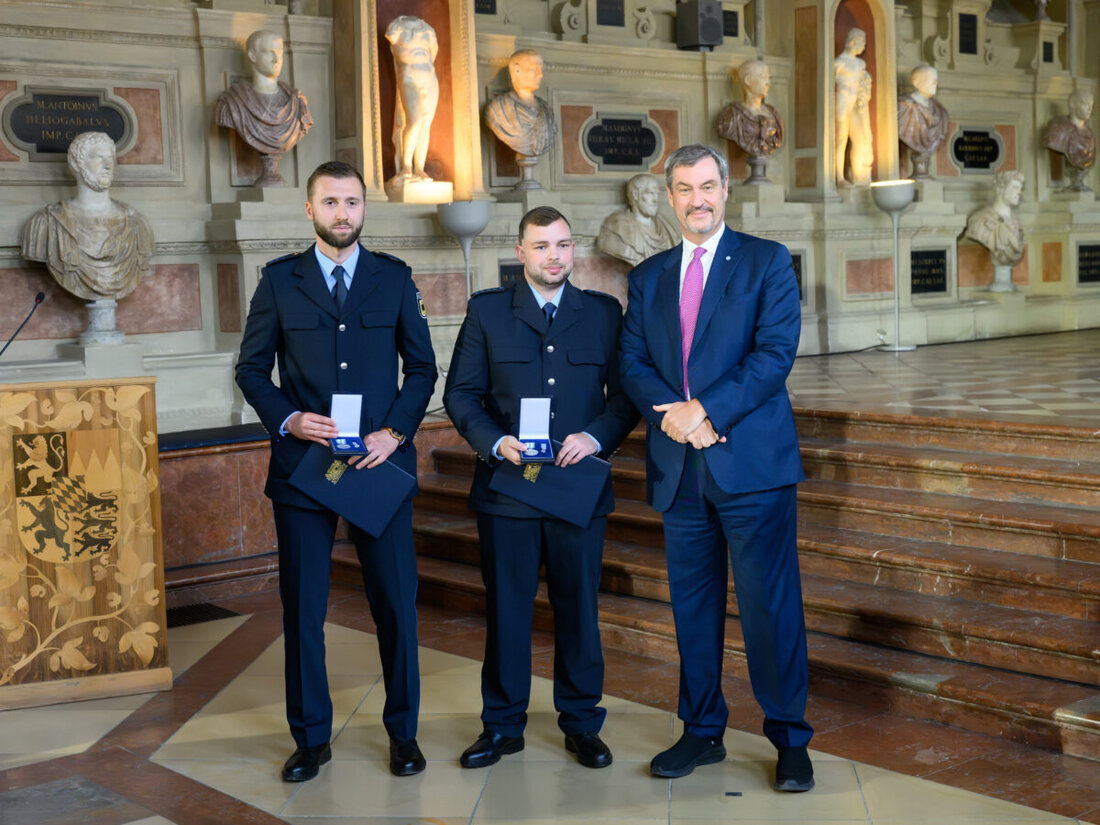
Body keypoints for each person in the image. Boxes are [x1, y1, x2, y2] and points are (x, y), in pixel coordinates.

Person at [618, 144, 813, 793]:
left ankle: (788, 736)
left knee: (769, 606)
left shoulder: (766, 261)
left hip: (750, 465)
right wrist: (674, 417)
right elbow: (633, 363)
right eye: (683, 187)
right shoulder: (646, 276)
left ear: (725, 190)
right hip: (680, 469)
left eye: (706, 185)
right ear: (670, 195)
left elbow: (775, 353)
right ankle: (701, 728)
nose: (696, 198)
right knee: (693, 607)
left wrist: (705, 409)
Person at [235, 161, 437, 783]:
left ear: (364, 210)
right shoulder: (278, 281)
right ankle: (311, 739)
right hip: (305, 471)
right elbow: (250, 370)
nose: (342, 212)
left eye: (352, 202)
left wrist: (395, 431)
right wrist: (289, 418)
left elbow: (423, 369)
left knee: (396, 606)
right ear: (310, 209)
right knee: (304, 609)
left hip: (378, 467)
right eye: (330, 202)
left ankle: (403, 733)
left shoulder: (394, 279)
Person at [443, 206, 638, 771]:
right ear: (520, 251)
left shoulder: (602, 313)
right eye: (541, 246)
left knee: (578, 609)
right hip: (508, 489)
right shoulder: (487, 313)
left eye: (562, 245)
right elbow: (461, 395)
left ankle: (581, 723)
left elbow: (625, 398)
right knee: (507, 610)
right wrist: (493, 441)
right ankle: (502, 726)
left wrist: (597, 436)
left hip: (577, 487)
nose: (554, 256)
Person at [21, 131, 153, 302]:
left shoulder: (137, 223)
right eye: (98, 157)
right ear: (76, 164)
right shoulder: (46, 223)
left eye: (111, 158)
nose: (108, 165)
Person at [214, 30, 313, 184]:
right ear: (253, 55)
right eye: (269, 52)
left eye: (280, 52)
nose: (276, 59)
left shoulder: (297, 102)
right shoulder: (232, 102)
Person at [385, 16, 440, 186]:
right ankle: (406, 166)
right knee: (414, 121)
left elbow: (433, 53)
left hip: (429, 77)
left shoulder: (428, 28)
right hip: (409, 75)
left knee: (425, 125)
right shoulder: (396, 26)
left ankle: (420, 168)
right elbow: (395, 47)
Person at [484, 49, 557, 158]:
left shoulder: (546, 110)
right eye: (533, 69)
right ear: (517, 70)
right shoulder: (498, 109)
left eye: (541, 69)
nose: (540, 74)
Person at [597, 174, 680, 266]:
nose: (655, 199)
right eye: (650, 193)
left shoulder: (666, 227)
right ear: (636, 195)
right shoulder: (616, 227)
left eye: (656, 194)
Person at [716, 59, 785, 160]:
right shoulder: (732, 115)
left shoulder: (773, 114)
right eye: (764, 77)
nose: (768, 83)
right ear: (748, 80)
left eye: (769, 78)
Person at [834, 28, 873, 186]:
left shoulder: (860, 64)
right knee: (840, 140)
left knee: (861, 140)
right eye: (862, 42)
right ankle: (839, 177)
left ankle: (858, 177)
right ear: (852, 42)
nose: (864, 46)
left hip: (856, 105)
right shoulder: (839, 63)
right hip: (842, 103)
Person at [964, 169, 1026, 267]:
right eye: (1015, 187)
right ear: (1001, 189)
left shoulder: (1016, 222)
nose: (1019, 192)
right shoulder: (979, 220)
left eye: (1020, 188)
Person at [897, 64, 949, 180]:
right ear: (917, 83)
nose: (936, 83)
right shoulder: (904, 107)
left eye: (936, 80)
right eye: (931, 79)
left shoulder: (940, 111)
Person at [1041, 88, 1095, 190]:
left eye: (1091, 106)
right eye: (1085, 104)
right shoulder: (1058, 130)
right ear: (1073, 104)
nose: (1089, 109)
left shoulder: (1090, 135)